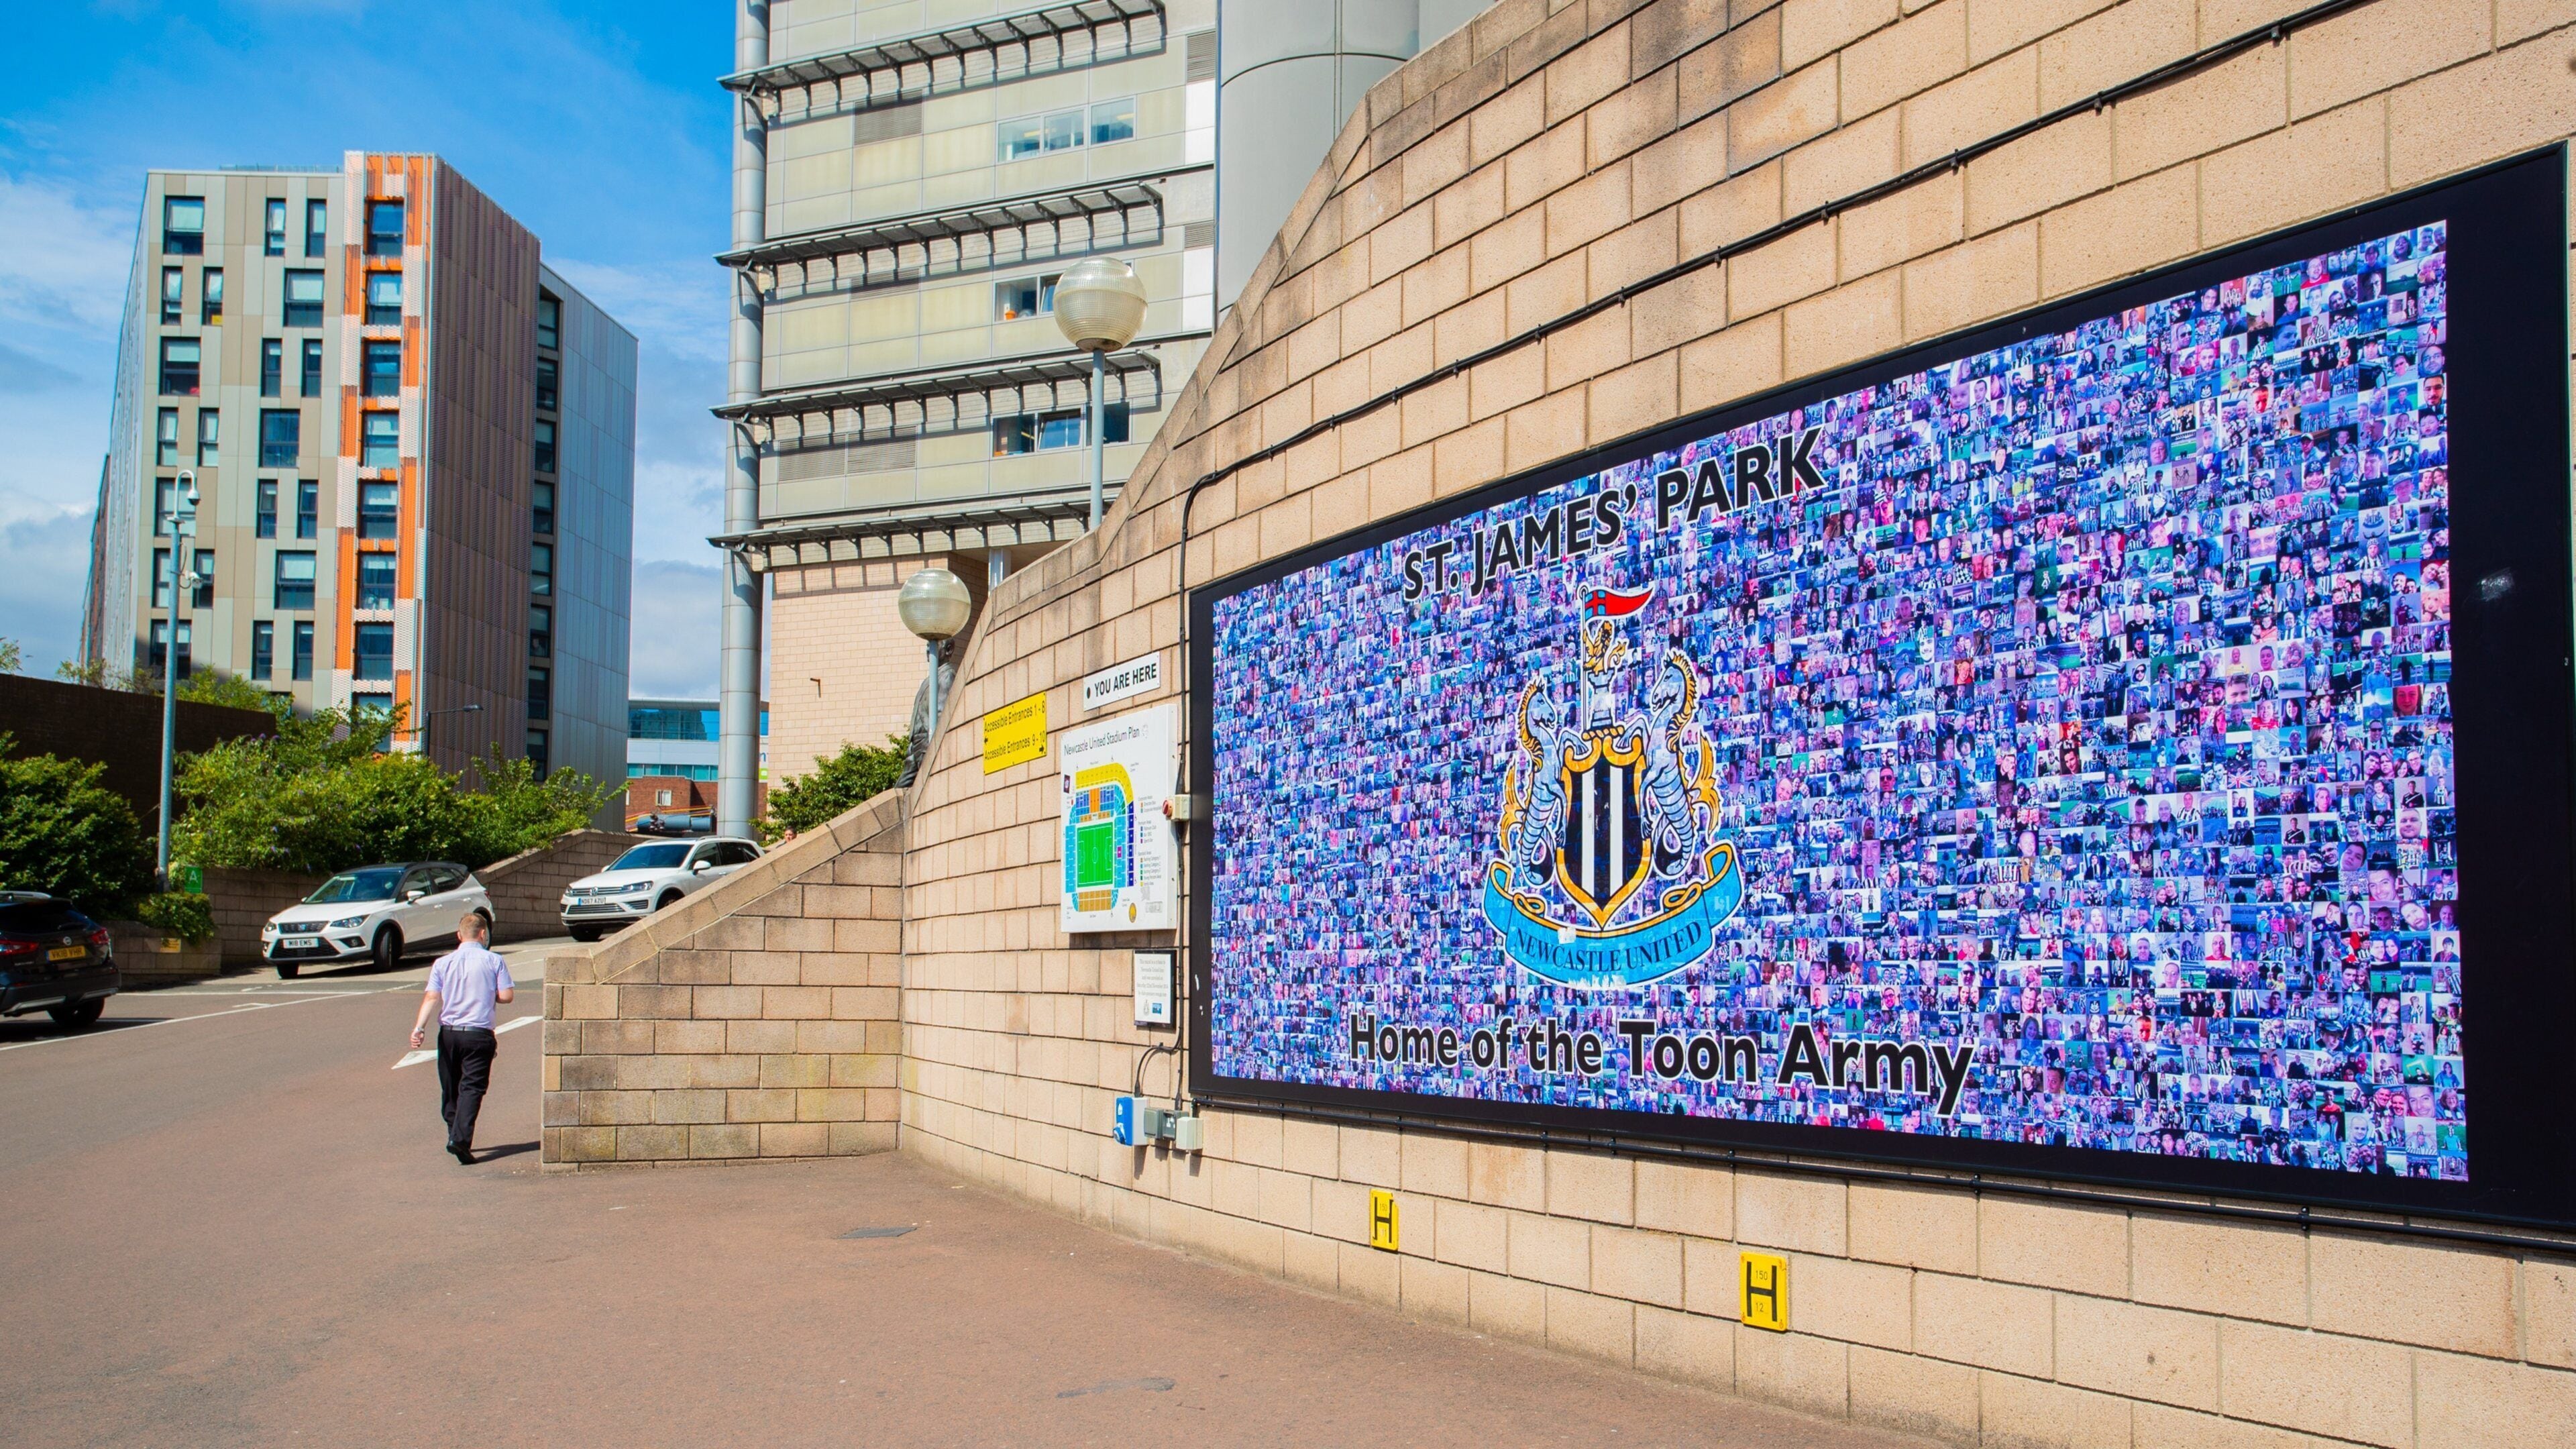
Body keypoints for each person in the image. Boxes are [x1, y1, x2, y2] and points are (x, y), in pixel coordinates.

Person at [409, 913, 515, 1164]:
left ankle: (453, 1133)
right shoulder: (494, 961)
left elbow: (432, 998)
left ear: (459, 935)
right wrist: (488, 995)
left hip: (449, 1034)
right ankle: (461, 1140)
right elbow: (507, 996)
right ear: (483, 934)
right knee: (472, 1088)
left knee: (451, 1086)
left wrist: (419, 1028)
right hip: (479, 1033)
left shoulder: (442, 963)